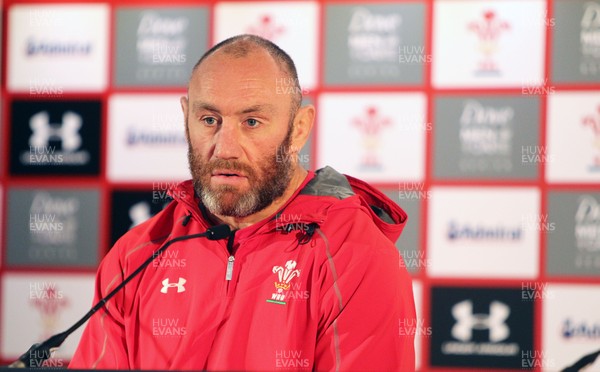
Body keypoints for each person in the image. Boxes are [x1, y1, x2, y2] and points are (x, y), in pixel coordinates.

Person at [69, 34, 416, 371]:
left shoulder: (357, 259)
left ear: (298, 129)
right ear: (186, 117)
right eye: (209, 120)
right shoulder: (138, 254)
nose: (226, 148)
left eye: (251, 122)